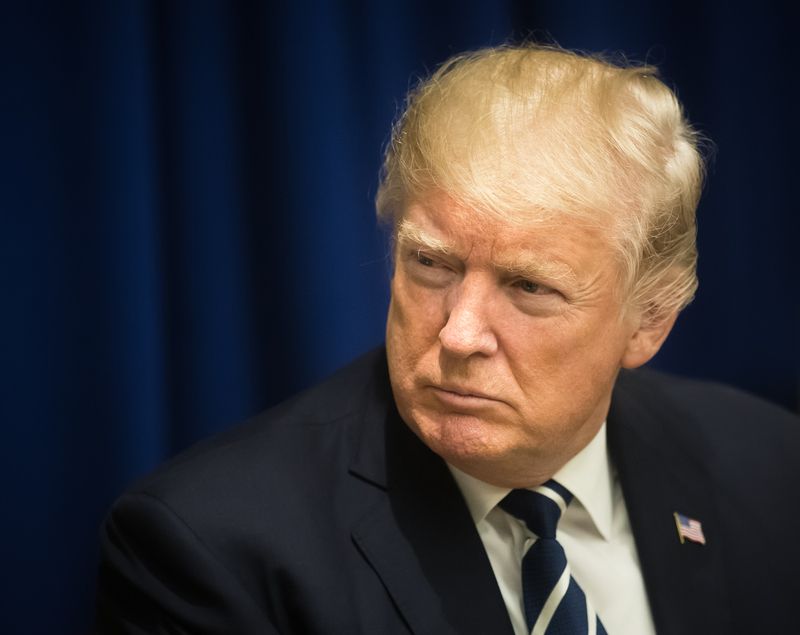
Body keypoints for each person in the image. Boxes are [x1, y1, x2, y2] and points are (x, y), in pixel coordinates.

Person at [96, 44, 800, 634]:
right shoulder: (212, 548)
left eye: (529, 287)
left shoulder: (771, 466)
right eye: (430, 263)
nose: (459, 333)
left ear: (649, 320)